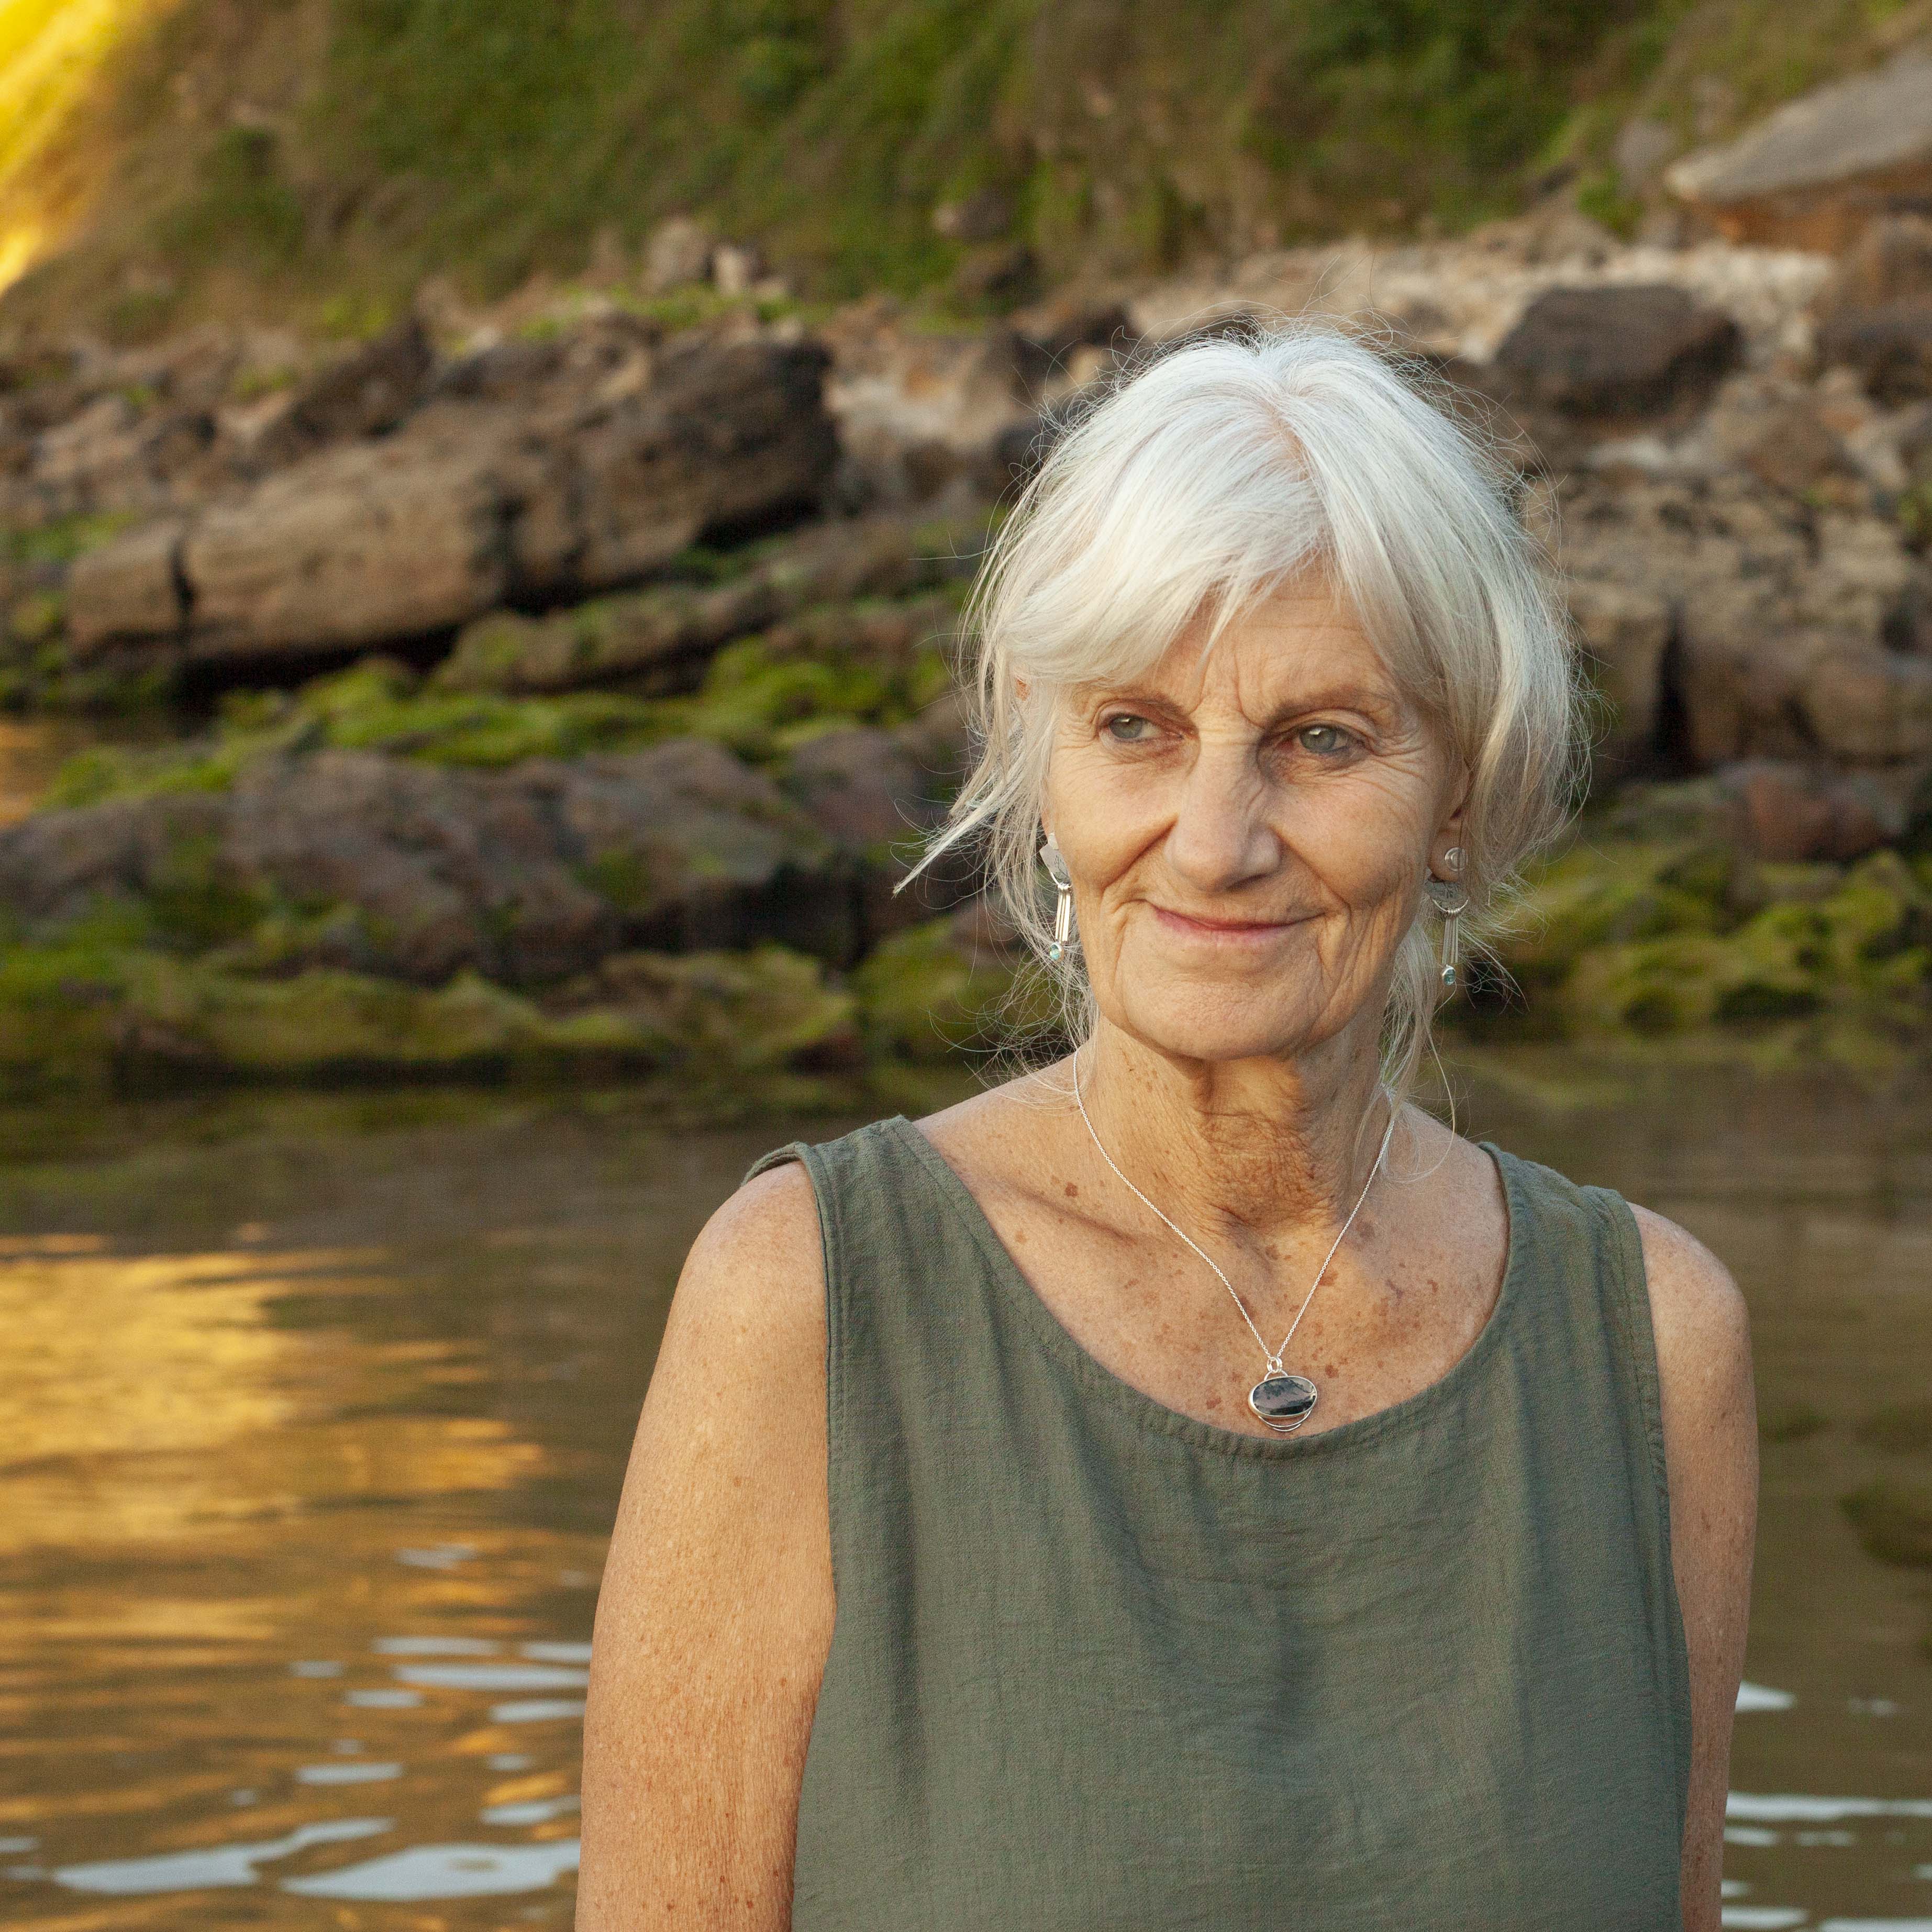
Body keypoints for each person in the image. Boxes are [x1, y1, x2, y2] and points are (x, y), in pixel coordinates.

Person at [577, 323, 1758, 1931]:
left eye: (1317, 740)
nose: (1213, 841)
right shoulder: (807, 1302)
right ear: (1042, 766)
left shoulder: (1652, 1344)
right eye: (1134, 726)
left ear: (1462, 800)